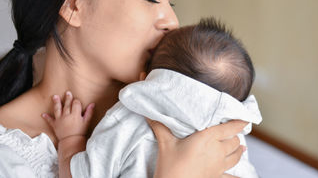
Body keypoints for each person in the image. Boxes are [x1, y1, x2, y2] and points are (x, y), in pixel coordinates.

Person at [0, 0, 247, 177]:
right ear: (73, 5)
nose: (172, 22)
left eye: (170, 1)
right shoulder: (9, 158)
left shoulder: (186, 113)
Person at [43, 17, 263, 178]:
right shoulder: (231, 136)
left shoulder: (128, 121)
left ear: (144, 79)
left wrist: (70, 139)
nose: (170, 20)